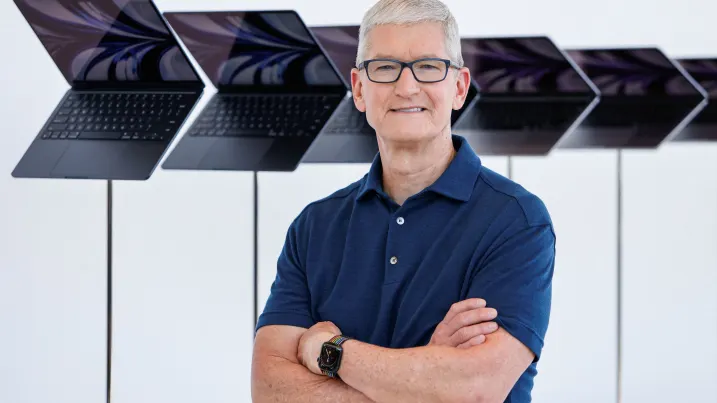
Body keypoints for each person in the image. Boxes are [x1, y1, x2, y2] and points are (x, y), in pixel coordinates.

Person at [251, 0, 555, 401]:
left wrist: (330, 353)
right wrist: (425, 380)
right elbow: (269, 389)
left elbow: (475, 389)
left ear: (459, 87)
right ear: (360, 89)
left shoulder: (516, 220)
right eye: (385, 67)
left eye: (429, 66)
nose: (406, 86)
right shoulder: (314, 227)